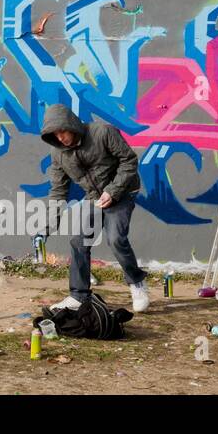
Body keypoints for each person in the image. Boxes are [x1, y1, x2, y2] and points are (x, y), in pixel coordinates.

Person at [40, 103, 150, 313]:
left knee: (116, 238)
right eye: (55, 135)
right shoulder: (58, 154)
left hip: (123, 192)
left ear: (71, 124)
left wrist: (113, 190)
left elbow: (129, 160)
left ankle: (136, 283)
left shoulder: (103, 132)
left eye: (62, 131)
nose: (61, 137)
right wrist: (47, 226)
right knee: (79, 241)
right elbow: (57, 190)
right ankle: (78, 296)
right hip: (94, 198)